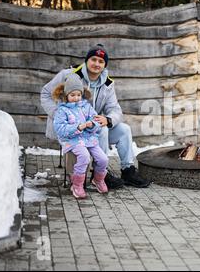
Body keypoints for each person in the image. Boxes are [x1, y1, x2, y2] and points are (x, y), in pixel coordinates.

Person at [41, 44, 150, 189]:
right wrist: (58, 114)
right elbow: (46, 94)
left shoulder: (107, 84)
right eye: (93, 59)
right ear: (87, 60)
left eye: (101, 61)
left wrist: (108, 119)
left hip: (91, 128)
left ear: (105, 65)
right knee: (102, 130)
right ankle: (100, 174)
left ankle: (127, 171)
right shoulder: (68, 75)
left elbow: (115, 109)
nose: (96, 64)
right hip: (71, 128)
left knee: (124, 129)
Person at [52, 74, 109, 199]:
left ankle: (98, 180)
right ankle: (77, 184)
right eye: (72, 95)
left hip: (89, 139)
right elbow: (60, 129)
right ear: (66, 95)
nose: (76, 98)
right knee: (84, 157)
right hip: (73, 140)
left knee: (103, 159)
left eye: (78, 95)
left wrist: (91, 125)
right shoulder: (62, 110)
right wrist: (78, 127)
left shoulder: (86, 107)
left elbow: (96, 121)